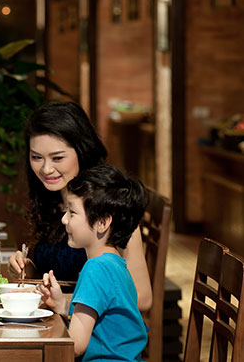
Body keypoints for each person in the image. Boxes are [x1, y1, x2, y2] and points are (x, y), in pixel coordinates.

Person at [8, 101, 152, 310]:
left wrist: (65, 303)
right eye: (36, 157)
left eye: (57, 158)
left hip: (92, 328)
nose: (46, 169)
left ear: (82, 151)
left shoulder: (109, 206)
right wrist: (26, 269)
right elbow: (55, 271)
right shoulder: (51, 199)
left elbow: (142, 298)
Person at [38, 164, 148, 360]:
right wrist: (61, 305)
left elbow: (76, 345)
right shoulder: (115, 264)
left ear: (103, 222)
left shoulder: (96, 268)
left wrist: (37, 341)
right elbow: (98, 322)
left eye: (72, 212)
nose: (64, 220)